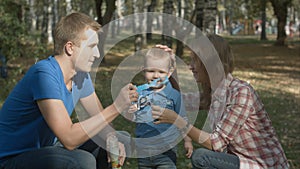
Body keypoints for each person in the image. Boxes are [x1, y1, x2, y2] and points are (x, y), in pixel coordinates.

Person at [0, 12, 138, 169]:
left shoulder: (81, 76)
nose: (97, 54)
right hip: (11, 159)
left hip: (45, 150)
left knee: (119, 139)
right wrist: (116, 107)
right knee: (81, 161)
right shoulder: (44, 74)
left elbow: (99, 117)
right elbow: (69, 139)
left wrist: (112, 139)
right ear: (70, 48)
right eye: (92, 47)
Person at [152, 34, 289, 169]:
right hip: (240, 161)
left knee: (202, 157)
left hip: (263, 165)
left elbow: (216, 143)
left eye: (195, 61)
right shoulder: (214, 92)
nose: (191, 66)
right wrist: (171, 70)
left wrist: (177, 120)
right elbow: (181, 100)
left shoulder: (240, 92)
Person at [127, 47, 193, 169]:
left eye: (161, 72)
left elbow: (182, 119)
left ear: (169, 72)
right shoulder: (139, 93)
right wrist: (130, 108)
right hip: (143, 149)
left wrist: (187, 140)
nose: (156, 75)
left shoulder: (174, 95)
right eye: (151, 71)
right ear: (143, 70)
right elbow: (132, 115)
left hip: (166, 150)